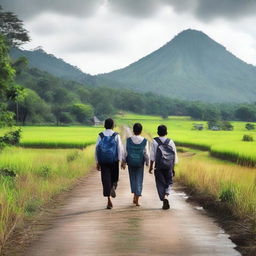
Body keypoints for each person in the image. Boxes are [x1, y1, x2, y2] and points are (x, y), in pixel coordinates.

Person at [95, 118, 123, 209]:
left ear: (104, 125)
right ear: (113, 126)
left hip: (103, 161)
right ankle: (113, 187)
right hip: (114, 161)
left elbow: (96, 149)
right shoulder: (116, 135)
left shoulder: (100, 135)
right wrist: (120, 160)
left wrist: (97, 162)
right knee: (114, 178)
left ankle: (108, 200)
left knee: (106, 180)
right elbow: (119, 148)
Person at [149, 125, 178, 210]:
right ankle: (166, 196)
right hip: (168, 166)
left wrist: (151, 167)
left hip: (159, 167)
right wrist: (173, 168)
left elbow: (152, 156)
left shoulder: (154, 141)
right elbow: (174, 156)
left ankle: (163, 198)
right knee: (169, 182)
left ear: (158, 132)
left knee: (160, 183)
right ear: (166, 132)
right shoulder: (170, 142)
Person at [122, 123, 149, 206]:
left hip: (131, 162)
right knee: (139, 180)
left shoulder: (128, 140)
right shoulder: (144, 141)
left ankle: (134, 196)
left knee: (132, 179)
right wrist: (148, 162)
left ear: (133, 130)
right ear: (141, 131)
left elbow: (125, 152)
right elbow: (146, 153)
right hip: (140, 163)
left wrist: (123, 162)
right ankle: (136, 198)